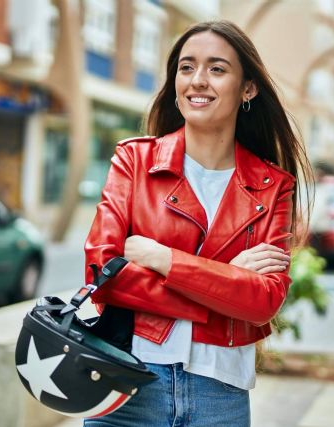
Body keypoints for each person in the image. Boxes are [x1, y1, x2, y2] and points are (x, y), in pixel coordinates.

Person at [83, 20, 312, 427]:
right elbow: (104, 273)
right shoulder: (135, 162)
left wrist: (163, 259)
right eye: (186, 68)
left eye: (217, 69)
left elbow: (263, 302)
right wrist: (225, 281)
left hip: (219, 392)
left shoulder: (272, 185)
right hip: (127, 378)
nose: (198, 81)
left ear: (248, 88)